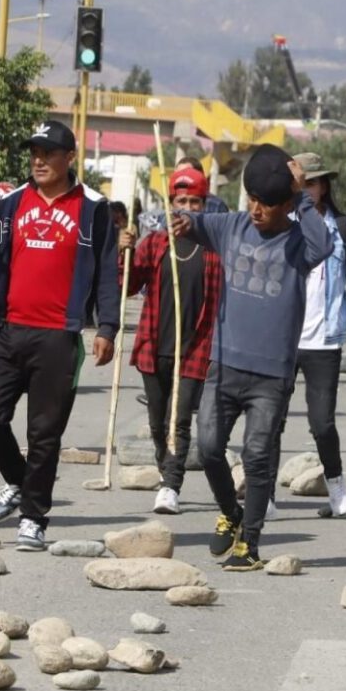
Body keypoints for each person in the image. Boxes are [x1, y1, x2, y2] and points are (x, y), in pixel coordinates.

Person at [171, 144, 333, 571]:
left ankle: (251, 545)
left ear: (286, 204)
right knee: (209, 448)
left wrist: (301, 194)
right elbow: (195, 222)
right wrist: (183, 222)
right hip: (223, 365)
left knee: (258, 456)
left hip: (271, 374)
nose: (257, 210)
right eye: (253, 200)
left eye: (267, 203)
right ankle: (231, 511)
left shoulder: (300, 243)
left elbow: (325, 245)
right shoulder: (232, 226)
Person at [0, 119, 120, 552]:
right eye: (34, 153)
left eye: (48, 153)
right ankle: (18, 480)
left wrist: (107, 326)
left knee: (43, 434)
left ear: (69, 157)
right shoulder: (11, 203)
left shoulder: (93, 208)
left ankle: (33, 517)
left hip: (58, 336)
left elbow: (108, 272)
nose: (39, 160)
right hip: (7, 327)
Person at [269, 151, 346, 518]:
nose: (305, 189)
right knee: (271, 420)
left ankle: (336, 483)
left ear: (324, 186)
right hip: (281, 338)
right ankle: (265, 493)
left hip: (324, 339)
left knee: (322, 423)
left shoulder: (344, 228)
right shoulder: (279, 223)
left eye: (311, 182)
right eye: (299, 183)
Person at [118, 166, 223, 515]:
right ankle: (166, 469)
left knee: (179, 422)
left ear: (204, 205)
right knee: (157, 423)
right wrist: (124, 252)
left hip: (194, 350)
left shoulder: (215, 250)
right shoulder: (156, 243)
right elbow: (127, 284)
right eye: (182, 201)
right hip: (154, 347)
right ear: (171, 204)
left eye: (195, 202)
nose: (188, 208)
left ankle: (171, 485)